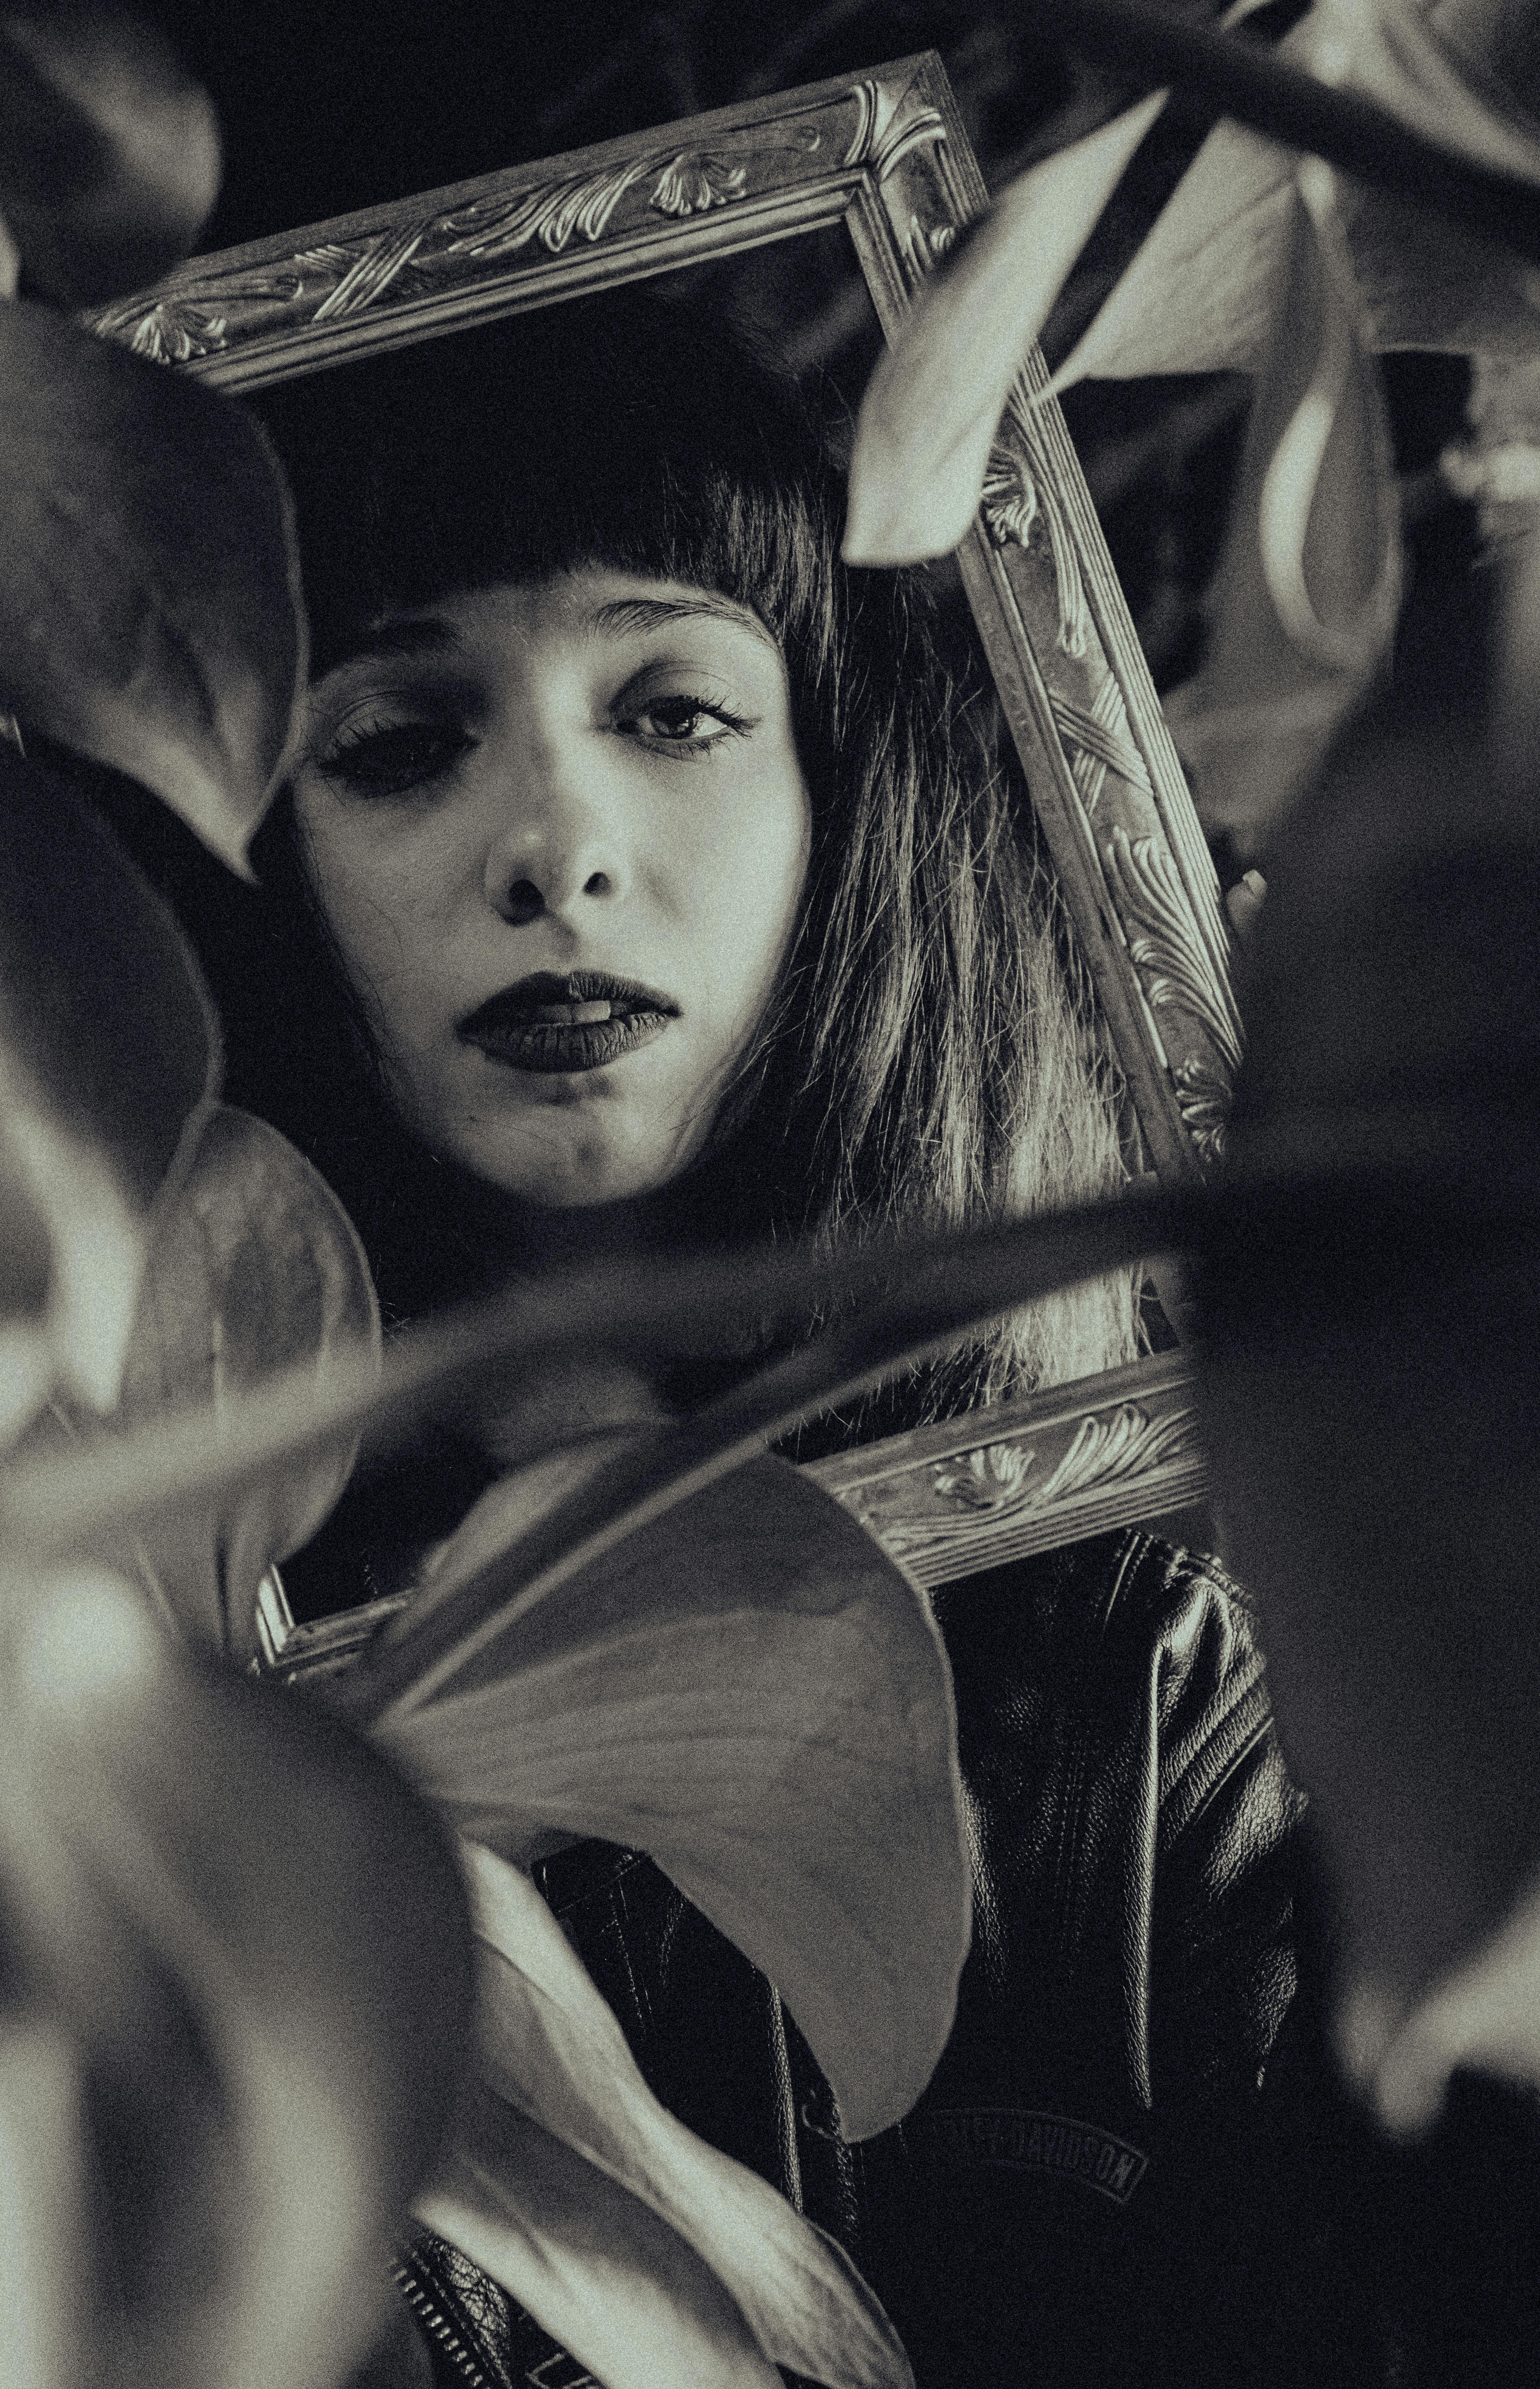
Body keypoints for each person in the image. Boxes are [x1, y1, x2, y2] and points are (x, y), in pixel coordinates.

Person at [190, 288, 1351, 2388]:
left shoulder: (1164, 1662)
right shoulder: (142, 1726)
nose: (559, 851)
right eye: (394, 741)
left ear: (845, 791)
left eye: (675, 711)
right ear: (270, 870)